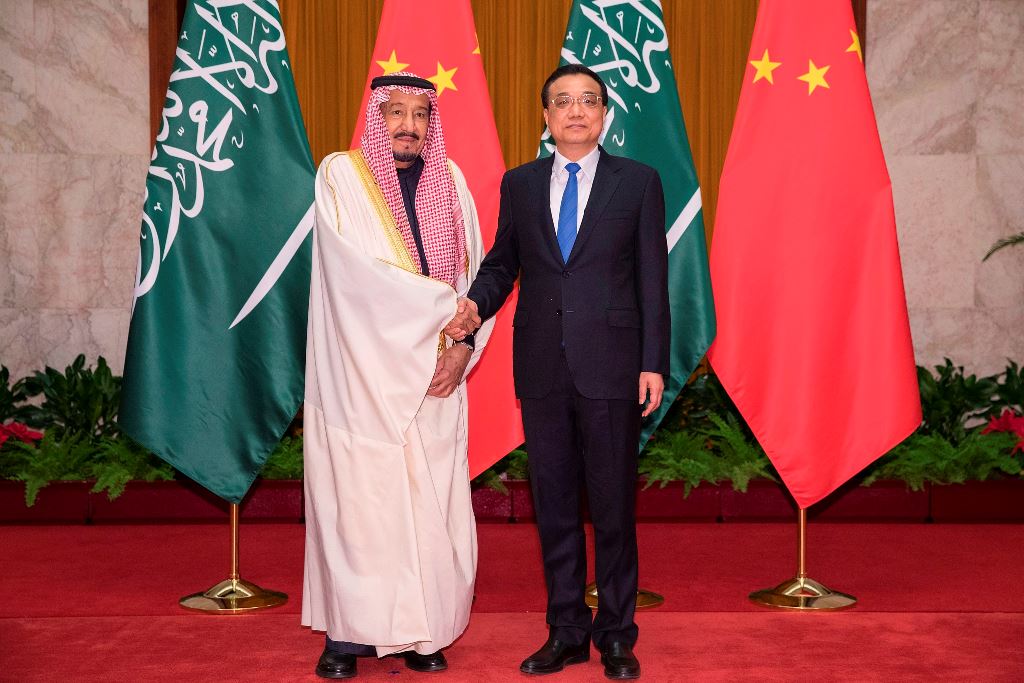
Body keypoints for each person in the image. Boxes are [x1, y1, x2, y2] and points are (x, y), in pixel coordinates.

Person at [447, 64, 669, 680]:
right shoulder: (519, 184)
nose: (576, 112)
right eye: (562, 102)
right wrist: (472, 305)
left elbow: (654, 278)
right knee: (555, 508)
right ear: (545, 117)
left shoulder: (639, 182)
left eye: (588, 102)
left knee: (614, 507)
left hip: (614, 368)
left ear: (604, 115)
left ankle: (618, 635)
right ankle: (566, 631)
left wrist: (653, 361)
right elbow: (501, 264)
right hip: (542, 366)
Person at [302, 72, 492, 679]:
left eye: (420, 115)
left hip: (436, 373)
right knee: (359, 502)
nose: (408, 125)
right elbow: (352, 277)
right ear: (375, 118)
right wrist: (442, 314)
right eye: (396, 113)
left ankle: (423, 629)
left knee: (430, 500)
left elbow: (473, 272)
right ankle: (349, 634)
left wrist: (461, 343)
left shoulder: (452, 181)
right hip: (359, 373)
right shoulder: (341, 176)